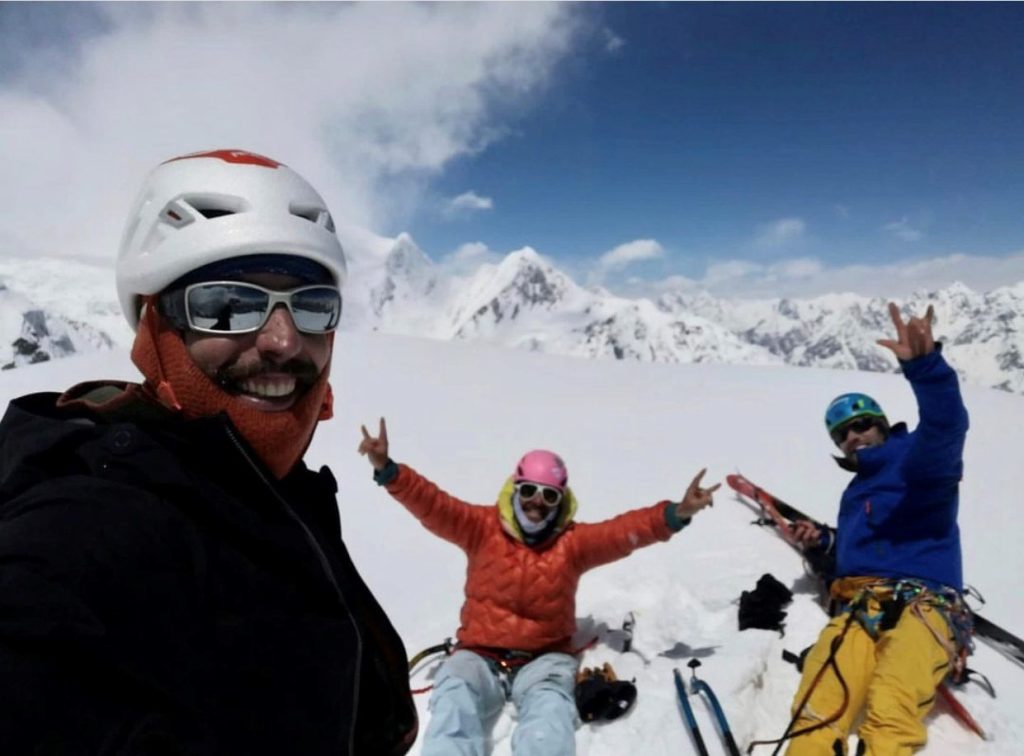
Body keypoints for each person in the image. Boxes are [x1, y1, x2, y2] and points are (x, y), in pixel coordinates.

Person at [0, 149, 417, 755]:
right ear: (154, 327)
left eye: (312, 306)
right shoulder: (94, 523)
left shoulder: (277, 492)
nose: (283, 340)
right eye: (227, 305)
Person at [358, 417, 719, 756]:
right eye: (529, 490)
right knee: (454, 701)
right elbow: (434, 506)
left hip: (544, 661)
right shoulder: (481, 528)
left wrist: (677, 513)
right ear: (515, 488)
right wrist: (388, 470)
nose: (536, 502)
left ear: (561, 499)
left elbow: (624, 533)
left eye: (549, 495)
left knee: (550, 718)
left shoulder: (572, 543)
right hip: (479, 656)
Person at [783, 303, 970, 756]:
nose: (853, 437)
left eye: (862, 424)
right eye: (842, 434)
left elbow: (947, 427)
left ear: (883, 425)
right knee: (816, 705)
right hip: (859, 604)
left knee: (892, 703)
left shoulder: (917, 462)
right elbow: (865, 542)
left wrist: (926, 369)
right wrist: (826, 541)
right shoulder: (857, 491)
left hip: (925, 604)